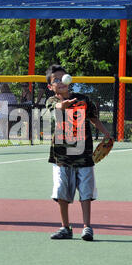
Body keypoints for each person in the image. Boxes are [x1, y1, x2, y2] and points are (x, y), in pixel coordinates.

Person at [45, 64, 111, 241]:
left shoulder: (83, 99)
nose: (60, 81)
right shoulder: (52, 101)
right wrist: (62, 106)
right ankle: (65, 227)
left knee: (86, 192)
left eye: (63, 77)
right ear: (50, 86)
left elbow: (93, 118)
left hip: (84, 154)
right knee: (61, 192)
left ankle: (87, 227)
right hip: (61, 156)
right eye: (55, 80)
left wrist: (106, 133)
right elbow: (54, 109)